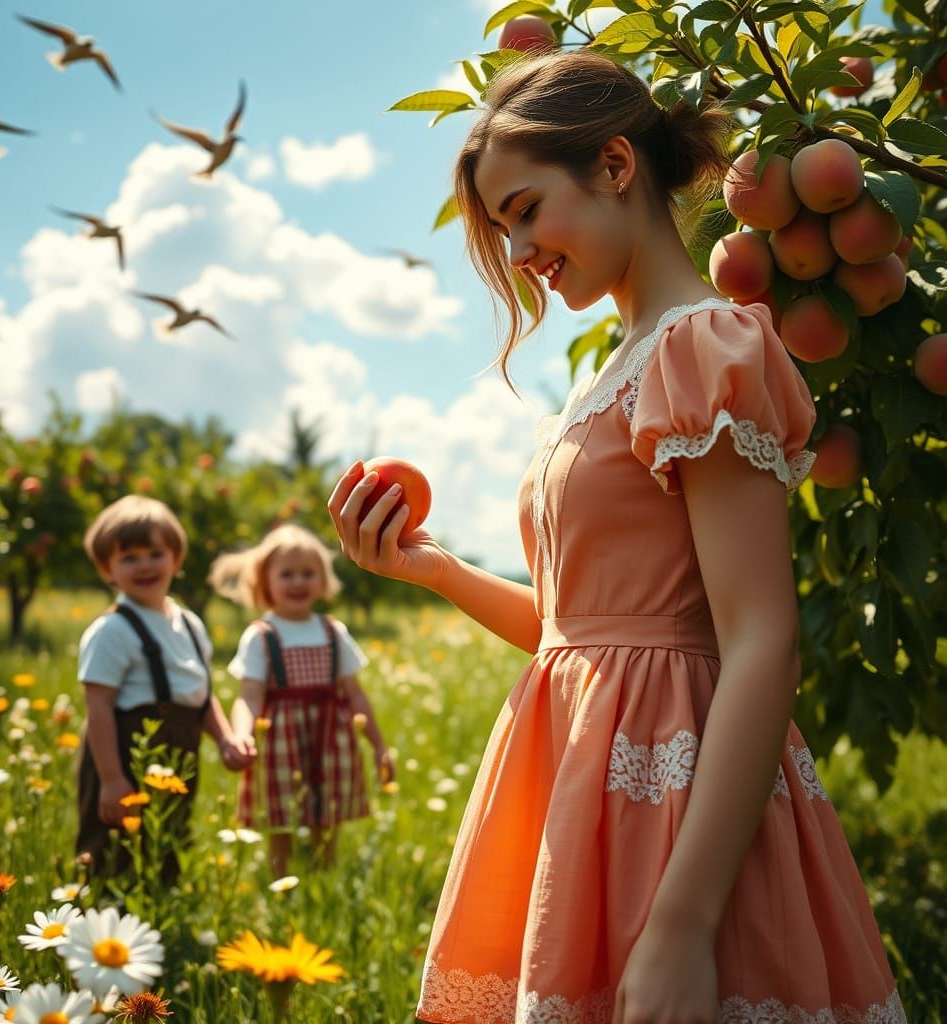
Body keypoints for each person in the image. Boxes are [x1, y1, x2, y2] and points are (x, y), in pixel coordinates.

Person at [328, 49, 904, 1024]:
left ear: (613, 166)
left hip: (678, 815)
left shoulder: (700, 346)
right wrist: (434, 571)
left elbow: (758, 637)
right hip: (577, 795)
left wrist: (682, 919)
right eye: (499, 229)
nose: (516, 255)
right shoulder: (611, 375)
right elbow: (584, 641)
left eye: (521, 211)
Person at [77, 494, 254, 877]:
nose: (144, 565)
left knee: (169, 835)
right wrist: (111, 779)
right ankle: (104, 920)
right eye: (128, 558)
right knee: (114, 843)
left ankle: (160, 912)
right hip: (125, 750)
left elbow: (201, 695)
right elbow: (99, 708)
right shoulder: (111, 631)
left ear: (176, 557)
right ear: (107, 570)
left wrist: (224, 738)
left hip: (180, 747)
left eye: (154, 553)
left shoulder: (189, 624)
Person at [209, 523, 393, 876]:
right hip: (280, 739)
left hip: (330, 738)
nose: (298, 582)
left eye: (308, 573)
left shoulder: (333, 631)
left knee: (328, 816)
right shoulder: (261, 635)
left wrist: (379, 745)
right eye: (287, 574)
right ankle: (283, 884)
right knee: (281, 820)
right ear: (265, 582)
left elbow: (354, 694)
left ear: (323, 580)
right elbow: (249, 696)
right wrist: (242, 734)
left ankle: (323, 880)